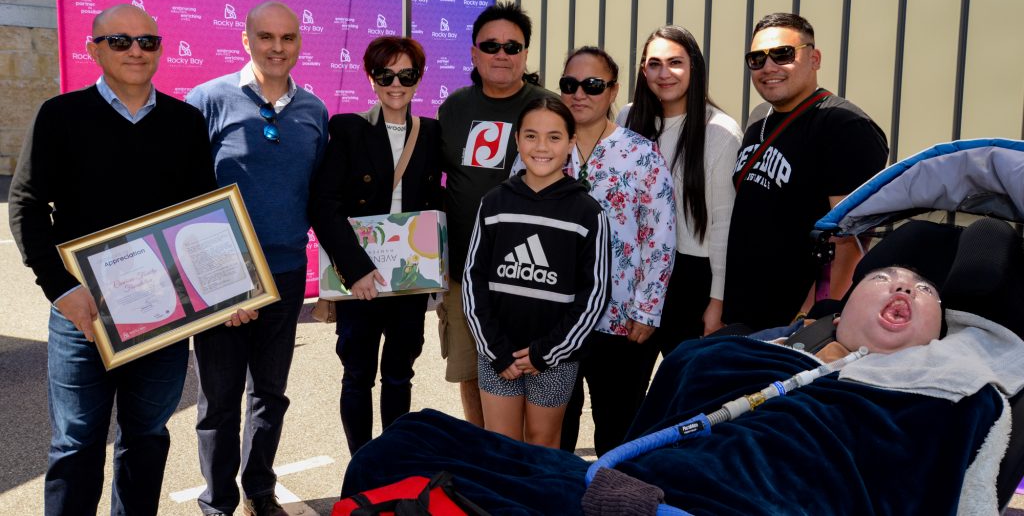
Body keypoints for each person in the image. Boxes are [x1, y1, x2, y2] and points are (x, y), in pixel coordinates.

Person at [340, 218, 1024, 515]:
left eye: (926, 292)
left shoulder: (950, 389)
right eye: (892, 279)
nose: (906, 290)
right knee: (404, 443)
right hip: (638, 494)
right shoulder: (742, 349)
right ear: (842, 302)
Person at [8, 3, 216, 515]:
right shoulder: (60, 116)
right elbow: (27, 206)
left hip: (164, 314)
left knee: (146, 436)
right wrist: (61, 289)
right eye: (120, 41)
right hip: (83, 312)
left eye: (148, 41)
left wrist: (222, 290)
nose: (136, 51)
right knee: (76, 443)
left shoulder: (186, 122)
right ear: (94, 48)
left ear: (161, 49)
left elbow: (204, 219)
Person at [186, 0, 328, 516]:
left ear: (298, 43)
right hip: (220, 275)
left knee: (271, 393)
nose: (277, 47)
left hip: (286, 273)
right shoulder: (207, 100)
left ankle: (260, 490)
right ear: (245, 40)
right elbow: (188, 198)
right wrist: (221, 284)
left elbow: (319, 198)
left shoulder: (314, 111)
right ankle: (218, 501)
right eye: (265, 37)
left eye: (287, 38)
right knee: (219, 401)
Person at [308, 36, 442, 456]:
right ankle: (361, 463)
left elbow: (437, 202)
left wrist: (436, 266)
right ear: (371, 77)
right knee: (358, 375)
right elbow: (324, 205)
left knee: (400, 375)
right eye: (386, 74)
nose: (396, 83)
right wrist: (356, 269)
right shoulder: (349, 129)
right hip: (360, 279)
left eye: (406, 74)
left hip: (407, 277)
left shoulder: (432, 133)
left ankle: (391, 462)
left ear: (419, 79)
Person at [722, 12, 888, 331]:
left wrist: (810, 320)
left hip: (792, 323)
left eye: (783, 54)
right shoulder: (760, 119)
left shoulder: (843, 125)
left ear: (815, 58)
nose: (768, 67)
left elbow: (851, 238)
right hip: (744, 312)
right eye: (756, 59)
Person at [463, 97, 611, 448]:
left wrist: (547, 352)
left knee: (542, 443)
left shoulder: (588, 212)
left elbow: (594, 295)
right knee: (501, 445)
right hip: (497, 353)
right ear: (517, 141)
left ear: (572, 141)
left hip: (554, 357)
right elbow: (473, 279)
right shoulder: (495, 202)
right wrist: (495, 350)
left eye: (554, 137)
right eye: (531, 136)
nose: (541, 147)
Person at [437, 1, 556, 427]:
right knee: (472, 372)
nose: (502, 54)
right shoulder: (453, 108)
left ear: (525, 54)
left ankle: (521, 465)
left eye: (512, 46)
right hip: (465, 274)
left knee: (528, 374)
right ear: (473, 53)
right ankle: (482, 454)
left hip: (530, 275)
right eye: (491, 45)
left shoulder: (548, 107)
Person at [555, 46, 676, 456]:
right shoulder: (544, 148)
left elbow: (659, 236)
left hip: (621, 319)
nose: (579, 94)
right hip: (558, 318)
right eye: (569, 85)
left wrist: (647, 310)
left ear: (613, 91)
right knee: (556, 429)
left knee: (618, 431)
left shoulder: (642, 153)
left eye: (592, 85)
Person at [619, 25, 742, 350]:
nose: (664, 73)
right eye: (654, 63)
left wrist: (717, 302)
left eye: (675, 62)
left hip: (692, 276)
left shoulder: (720, 132)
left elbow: (723, 224)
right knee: (624, 395)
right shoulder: (628, 118)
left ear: (694, 67)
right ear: (643, 70)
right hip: (636, 270)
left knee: (684, 387)